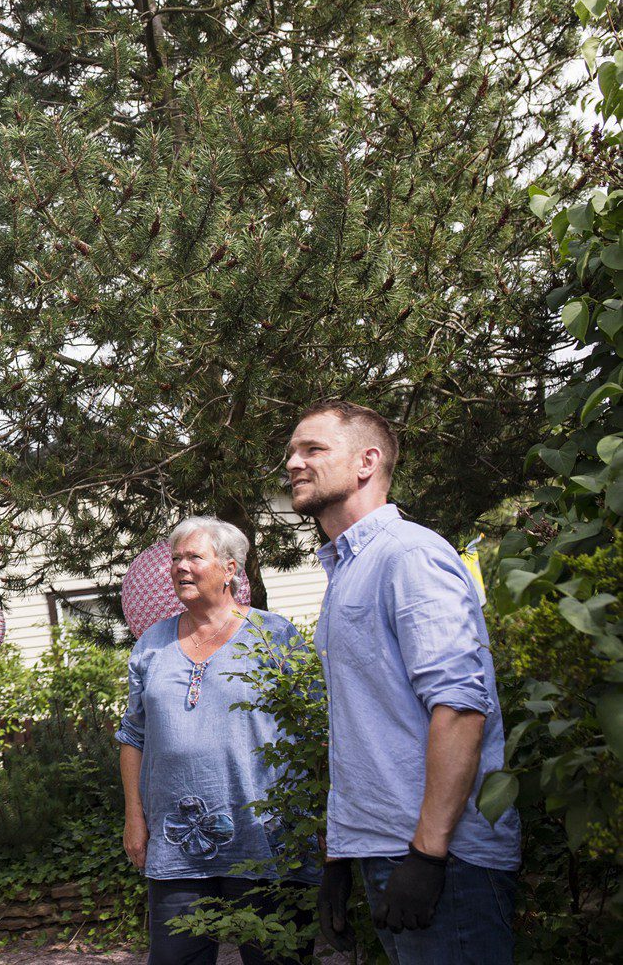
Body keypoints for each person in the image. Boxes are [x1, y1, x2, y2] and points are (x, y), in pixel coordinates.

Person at [286, 399, 519, 964]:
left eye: (313, 449)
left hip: (445, 859)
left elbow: (461, 707)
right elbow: (370, 728)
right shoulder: (346, 569)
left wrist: (430, 855)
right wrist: (342, 857)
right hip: (388, 850)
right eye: (291, 452)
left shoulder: (409, 555)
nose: (293, 462)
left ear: (367, 462)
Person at [116, 516, 318, 965]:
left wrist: (321, 820)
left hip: (265, 839)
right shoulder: (151, 644)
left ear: (230, 568)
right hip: (176, 843)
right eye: (175, 558)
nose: (180, 567)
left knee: (277, 959)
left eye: (193, 557)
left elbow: (313, 728)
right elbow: (133, 735)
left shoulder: (273, 635)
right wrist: (134, 816)